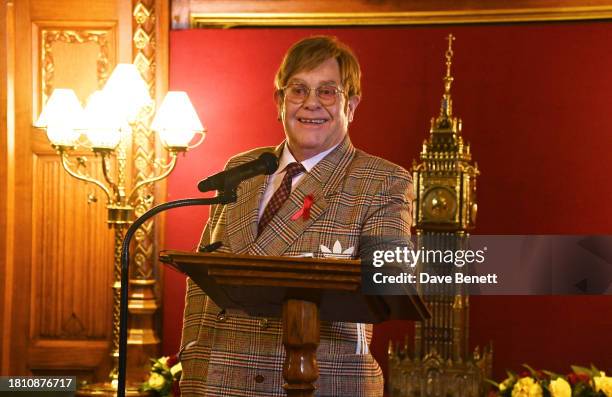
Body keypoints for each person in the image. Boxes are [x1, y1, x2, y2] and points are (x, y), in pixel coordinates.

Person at [179, 35, 413, 397]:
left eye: (327, 91)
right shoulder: (243, 168)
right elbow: (200, 282)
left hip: (316, 381)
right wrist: (192, 359)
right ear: (279, 101)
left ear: (351, 104)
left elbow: (390, 280)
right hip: (218, 379)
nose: (311, 104)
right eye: (298, 90)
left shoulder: (381, 180)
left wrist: (313, 273)